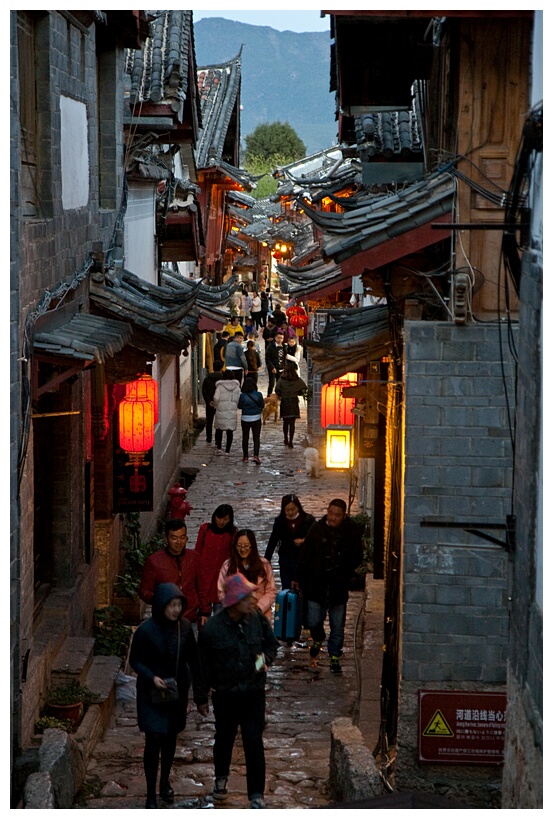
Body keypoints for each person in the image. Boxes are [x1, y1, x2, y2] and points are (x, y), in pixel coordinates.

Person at [198, 573, 279, 809]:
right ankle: (221, 779)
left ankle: (256, 793)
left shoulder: (257, 620)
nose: (253, 601)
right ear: (235, 601)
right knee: (224, 738)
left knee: (253, 740)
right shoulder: (212, 629)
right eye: (247, 597)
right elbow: (202, 665)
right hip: (226, 694)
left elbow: (270, 645)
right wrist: (202, 697)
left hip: (253, 692)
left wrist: (262, 661)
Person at [130, 582, 209, 808]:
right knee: (153, 739)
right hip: (150, 693)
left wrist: (200, 696)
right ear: (161, 606)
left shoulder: (184, 628)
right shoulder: (146, 631)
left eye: (178, 605)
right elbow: (135, 659)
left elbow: (194, 661)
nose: (175, 610)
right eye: (171, 605)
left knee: (170, 739)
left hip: (175, 693)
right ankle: (150, 793)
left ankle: (165, 781)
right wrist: (151, 677)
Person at [292, 499, 363, 674]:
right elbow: (305, 554)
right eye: (330, 513)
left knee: (337, 625)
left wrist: (345, 570)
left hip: (338, 588)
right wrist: (298, 576)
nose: (332, 518)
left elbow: (357, 556)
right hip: (317, 587)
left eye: (337, 515)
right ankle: (318, 637)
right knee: (313, 620)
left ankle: (334, 656)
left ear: (344, 516)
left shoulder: (350, 532)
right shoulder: (317, 530)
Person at [139, 520, 200, 624]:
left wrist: (204, 611)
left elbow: (201, 586)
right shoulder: (154, 561)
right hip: (164, 619)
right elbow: (144, 590)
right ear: (167, 538)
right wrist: (160, 600)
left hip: (190, 616)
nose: (178, 542)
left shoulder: (194, 558)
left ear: (186, 538)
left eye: (182, 537)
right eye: (174, 538)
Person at [217, 530, 277, 620]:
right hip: (236, 616)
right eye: (239, 546)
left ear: (252, 546)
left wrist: (259, 607)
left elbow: (271, 591)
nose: (242, 550)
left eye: (246, 546)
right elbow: (221, 591)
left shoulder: (264, 565)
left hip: (260, 615)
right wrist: (236, 606)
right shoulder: (227, 566)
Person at [194, 505, 237, 625]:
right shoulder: (205, 529)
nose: (222, 522)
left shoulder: (232, 534)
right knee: (201, 618)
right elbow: (197, 551)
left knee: (220, 620)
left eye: (225, 519)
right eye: (219, 518)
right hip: (203, 579)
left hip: (221, 582)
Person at [264, 494, 316, 593]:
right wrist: (267, 559)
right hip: (286, 560)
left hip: (303, 560)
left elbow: (315, 537)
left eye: (293, 509)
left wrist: (304, 540)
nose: (291, 512)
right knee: (287, 588)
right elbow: (273, 540)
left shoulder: (308, 520)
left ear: (298, 507)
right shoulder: (280, 522)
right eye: (287, 510)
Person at [275, 360, 307, 448]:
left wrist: (282, 394)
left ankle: (285, 437)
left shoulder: (281, 380)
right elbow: (304, 388)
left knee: (285, 422)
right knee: (292, 423)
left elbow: (277, 390)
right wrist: (298, 392)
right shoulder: (297, 380)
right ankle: (291, 441)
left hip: (285, 402)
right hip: (293, 401)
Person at [212, 370, 241, 456]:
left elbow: (216, 398)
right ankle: (227, 450)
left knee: (219, 429)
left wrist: (215, 405)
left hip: (221, 410)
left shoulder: (220, 387)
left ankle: (219, 448)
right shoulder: (236, 387)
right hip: (231, 411)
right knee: (230, 431)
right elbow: (239, 398)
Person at [238, 377, 264, 465]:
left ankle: (245, 456)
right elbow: (262, 405)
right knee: (256, 438)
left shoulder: (242, 396)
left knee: (245, 437)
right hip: (256, 418)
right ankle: (256, 455)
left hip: (245, 418)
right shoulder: (259, 394)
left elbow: (239, 406)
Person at [201, 360, 223, 444]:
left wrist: (209, 401)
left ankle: (209, 437)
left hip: (210, 403)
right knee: (219, 421)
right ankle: (218, 439)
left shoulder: (207, 379)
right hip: (220, 403)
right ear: (221, 368)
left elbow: (204, 390)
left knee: (209, 421)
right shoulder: (223, 379)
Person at [265, 331, 287, 396]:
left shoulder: (284, 347)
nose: (280, 340)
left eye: (281, 338)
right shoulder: (270, 347)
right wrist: (272, 367)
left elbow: (285, 357)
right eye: (278, 338)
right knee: (271, 383)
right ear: (275, 338)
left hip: (281, 367)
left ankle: (279, 396)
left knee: (280, 383)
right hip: (273, 368)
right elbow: (268, 358)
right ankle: (269, 396)